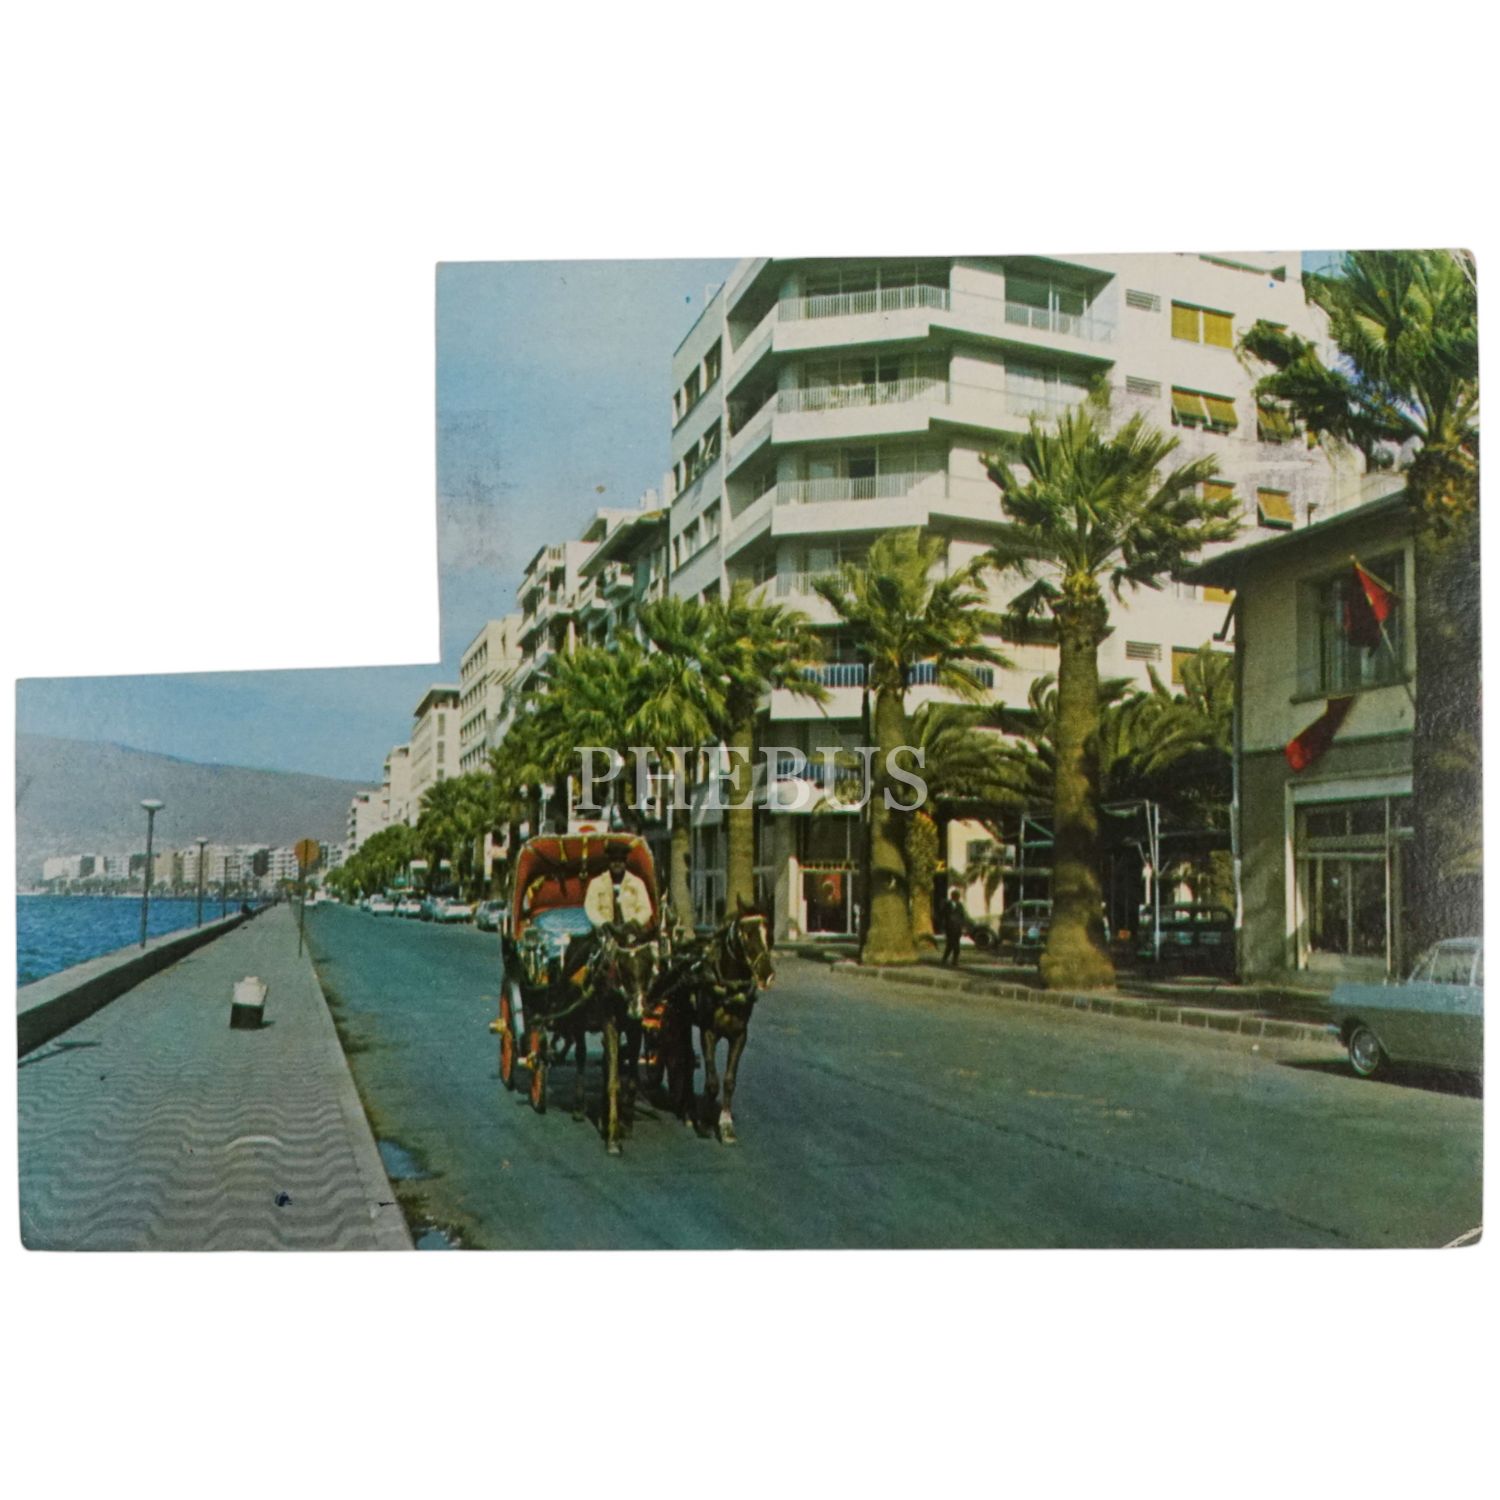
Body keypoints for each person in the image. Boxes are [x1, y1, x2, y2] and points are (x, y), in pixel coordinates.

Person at [584, 844, 652, 930]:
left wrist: (635, 923)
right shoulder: (596, 883)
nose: (617, 864)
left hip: (632, 931)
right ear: (609, 862)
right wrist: (603, 924)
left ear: (625, 862)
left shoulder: (637, 883)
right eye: (614, 860)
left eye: (621, 861)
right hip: (605, 931)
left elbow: (646, 909)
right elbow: (591, 909)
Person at [941, 890, 967, 967]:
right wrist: (943, 927)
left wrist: (963, 927)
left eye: (958, 896)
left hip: (957, 928)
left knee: (957, 945)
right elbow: (943, 916)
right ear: (952, 896)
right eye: (956, 896)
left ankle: (955, 960)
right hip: (949, 927)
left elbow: (962, 916)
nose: (957, 898)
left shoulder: (960, 905)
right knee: (950, 944)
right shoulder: (947, 904)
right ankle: (944, 959)